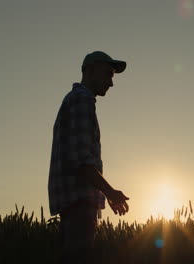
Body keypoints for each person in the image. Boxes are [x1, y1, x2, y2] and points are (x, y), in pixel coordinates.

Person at [48, 51, 130, 264]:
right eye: (108, 74)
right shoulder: (82, 100)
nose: (111, 83)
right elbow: (82, 161)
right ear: (89, 70)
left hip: (72, 204)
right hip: (79, 204)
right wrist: (110, 192)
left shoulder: (74, 100)